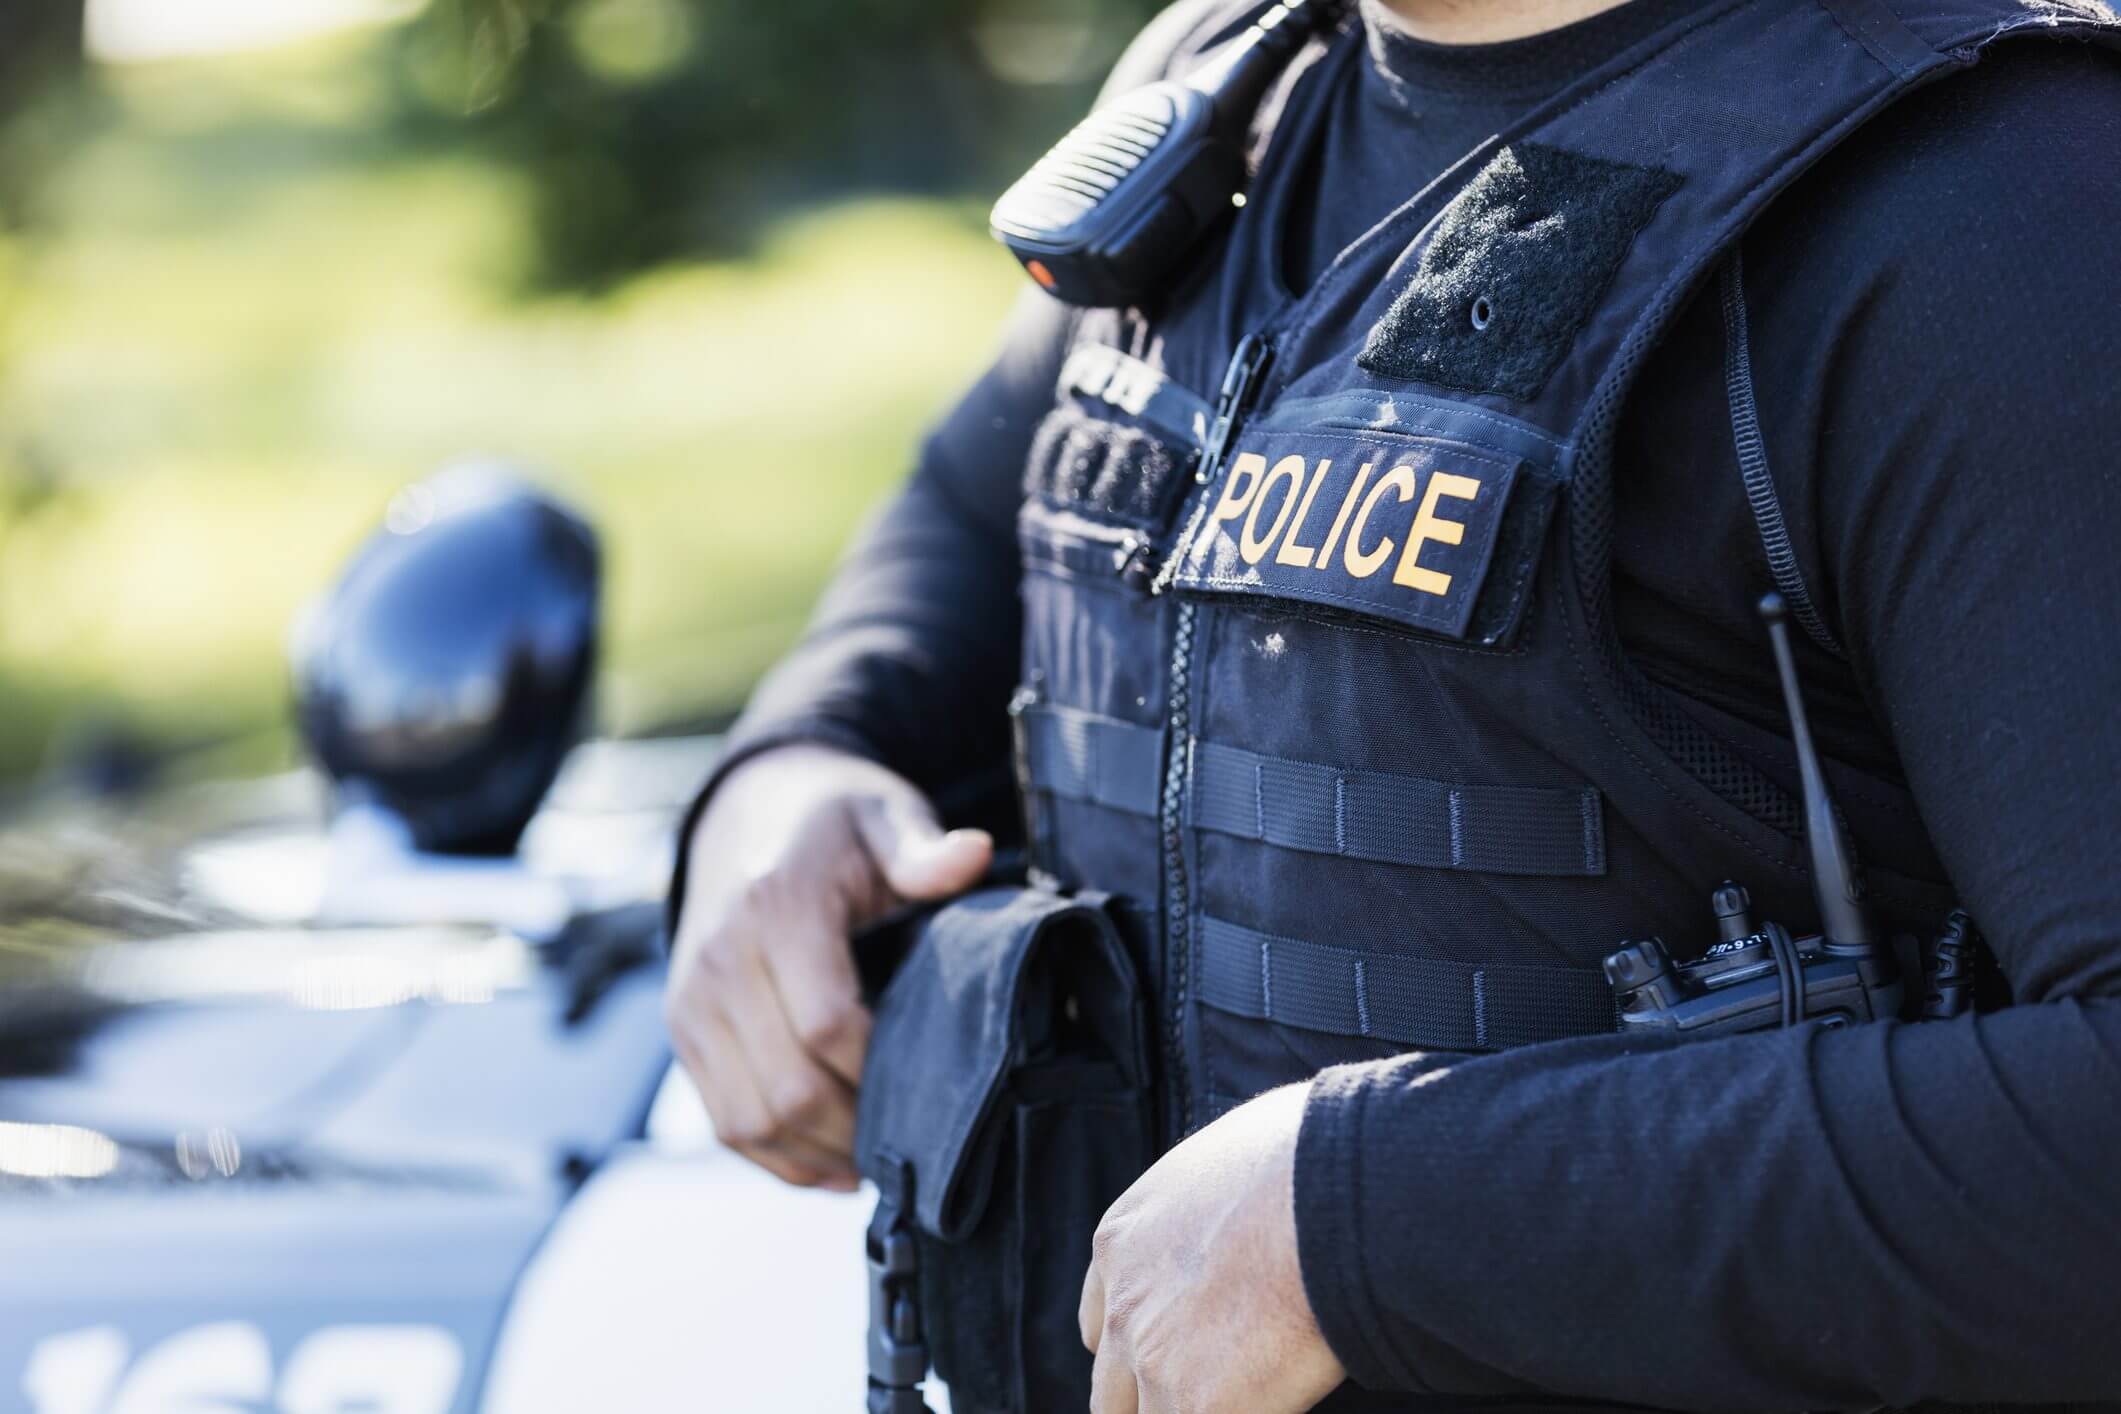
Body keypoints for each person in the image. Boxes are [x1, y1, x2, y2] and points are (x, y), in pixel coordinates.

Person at [663, 0, 2121, 1408]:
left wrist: (1361, 1228)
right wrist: (795, 770)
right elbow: (992, 506)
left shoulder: (1999, 203)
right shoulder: (1237, 81)